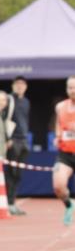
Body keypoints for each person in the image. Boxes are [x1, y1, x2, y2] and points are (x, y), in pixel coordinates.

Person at [3, 77, 30, 216]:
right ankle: (9, 202)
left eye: (22, 84)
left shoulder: (26, 102)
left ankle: (12, 201)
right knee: (10, 173)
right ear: (13, 85)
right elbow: (3, 119)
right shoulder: (8, 100)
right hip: (13, 140)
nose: (20, 86)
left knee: (18, 174)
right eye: (17, 84)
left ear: (26, 86)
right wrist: (7, 139)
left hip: (24, 140)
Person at [53, 75, 75, 226]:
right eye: (70, 87)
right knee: (59, 186)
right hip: (66, 154)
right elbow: (59, 124)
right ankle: (69, 205)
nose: (73, 90)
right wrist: (57, 136)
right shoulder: (60, 106)